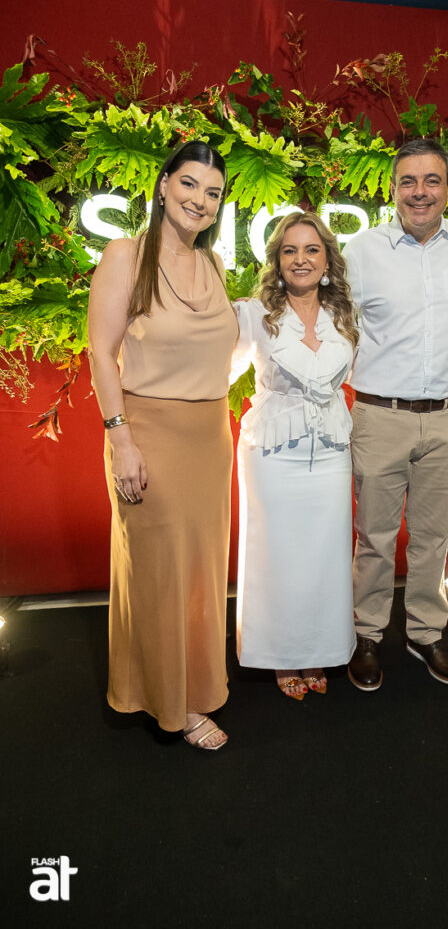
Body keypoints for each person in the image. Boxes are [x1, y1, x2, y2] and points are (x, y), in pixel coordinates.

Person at [87, 140, 238, 750]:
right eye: (190, 184)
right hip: (147, 434)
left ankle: (195, 685)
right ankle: (169, 702)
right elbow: (101, 353)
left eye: (213, 193)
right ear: (163, 184)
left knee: (202, 572)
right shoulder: (125, 255)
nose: (200, 200)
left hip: (210, 440)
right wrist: (120, 438)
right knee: (159, 575)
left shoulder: (215, 264)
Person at [343, 138, 448, 690]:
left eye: (431, 180)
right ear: (393, 190)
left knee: (434, 535)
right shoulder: (362, 249)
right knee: (375, 536)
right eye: (408, 181)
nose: (420, 192)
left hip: (447, 418)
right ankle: (366, 634)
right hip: (379, 415)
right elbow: (333, 316)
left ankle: (425, 633)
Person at [233, 212, 358, 699]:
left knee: (325, 555)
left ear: (327, 260)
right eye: (290, 250)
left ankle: (315, 648)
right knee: (276, 555)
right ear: (277, 260)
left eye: (311, 250)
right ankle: (281, 655)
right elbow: (216, 373)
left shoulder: (345, 314)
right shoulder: (254, 314)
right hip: (272, 451)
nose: (300, 259)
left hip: (331, 451)